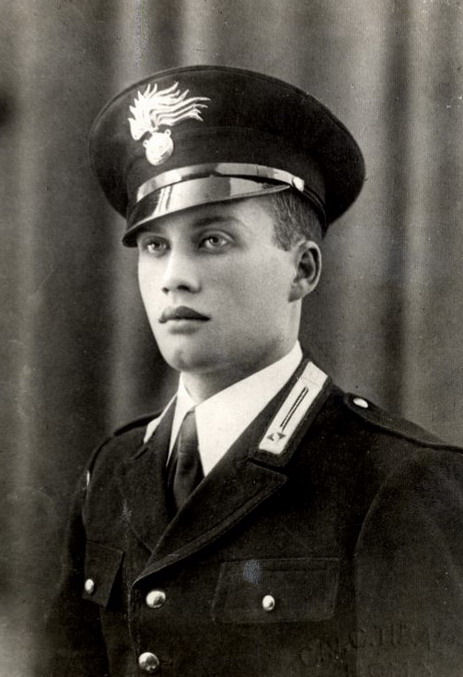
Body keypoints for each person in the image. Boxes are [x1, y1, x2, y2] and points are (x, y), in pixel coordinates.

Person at [41, 65, 463, 676]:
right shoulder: (113, 472)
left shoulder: (397, 483)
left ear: (303, 270)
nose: (173, 277)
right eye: (155, 246)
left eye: (213, 240)